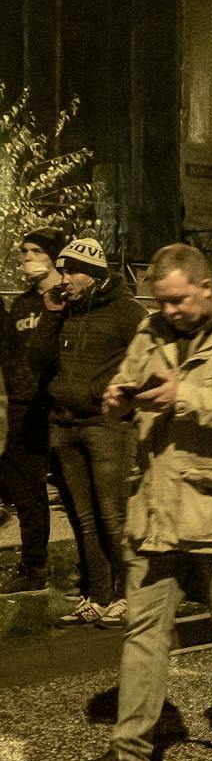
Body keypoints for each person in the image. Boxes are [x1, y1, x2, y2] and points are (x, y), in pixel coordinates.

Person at [53, 243, 212, 761]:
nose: (170, 311)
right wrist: (117, 400)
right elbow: (132, 387)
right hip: (157, 505)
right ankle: (130, 754)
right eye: (162, 301)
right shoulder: (151, 331)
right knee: (143, 630)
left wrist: (188, 395)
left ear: (207, 288)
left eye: (180, 300)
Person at [45, 237, 147, 628]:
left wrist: (123, 397)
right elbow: (39, 359)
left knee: (113, 516)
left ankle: (128, 596)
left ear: (92, 274)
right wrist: (52, 315)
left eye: (70, 270)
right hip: (65, 424)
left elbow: (146, 360)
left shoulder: (126, 313)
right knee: (84, 518)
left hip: (106, 426)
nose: (64, 278)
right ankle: (98, 595)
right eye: (62, 270)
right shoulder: (65, 310)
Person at [0, 225, 66, 595]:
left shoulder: (65, 302)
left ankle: (103, 579)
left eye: (35, 251)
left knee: (74, 497)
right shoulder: (23, 305)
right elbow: (10, 357)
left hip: (58, 409)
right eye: (23, 251)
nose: (26, 258)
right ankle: (33, 566)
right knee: (27, 494)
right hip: (25, 411)